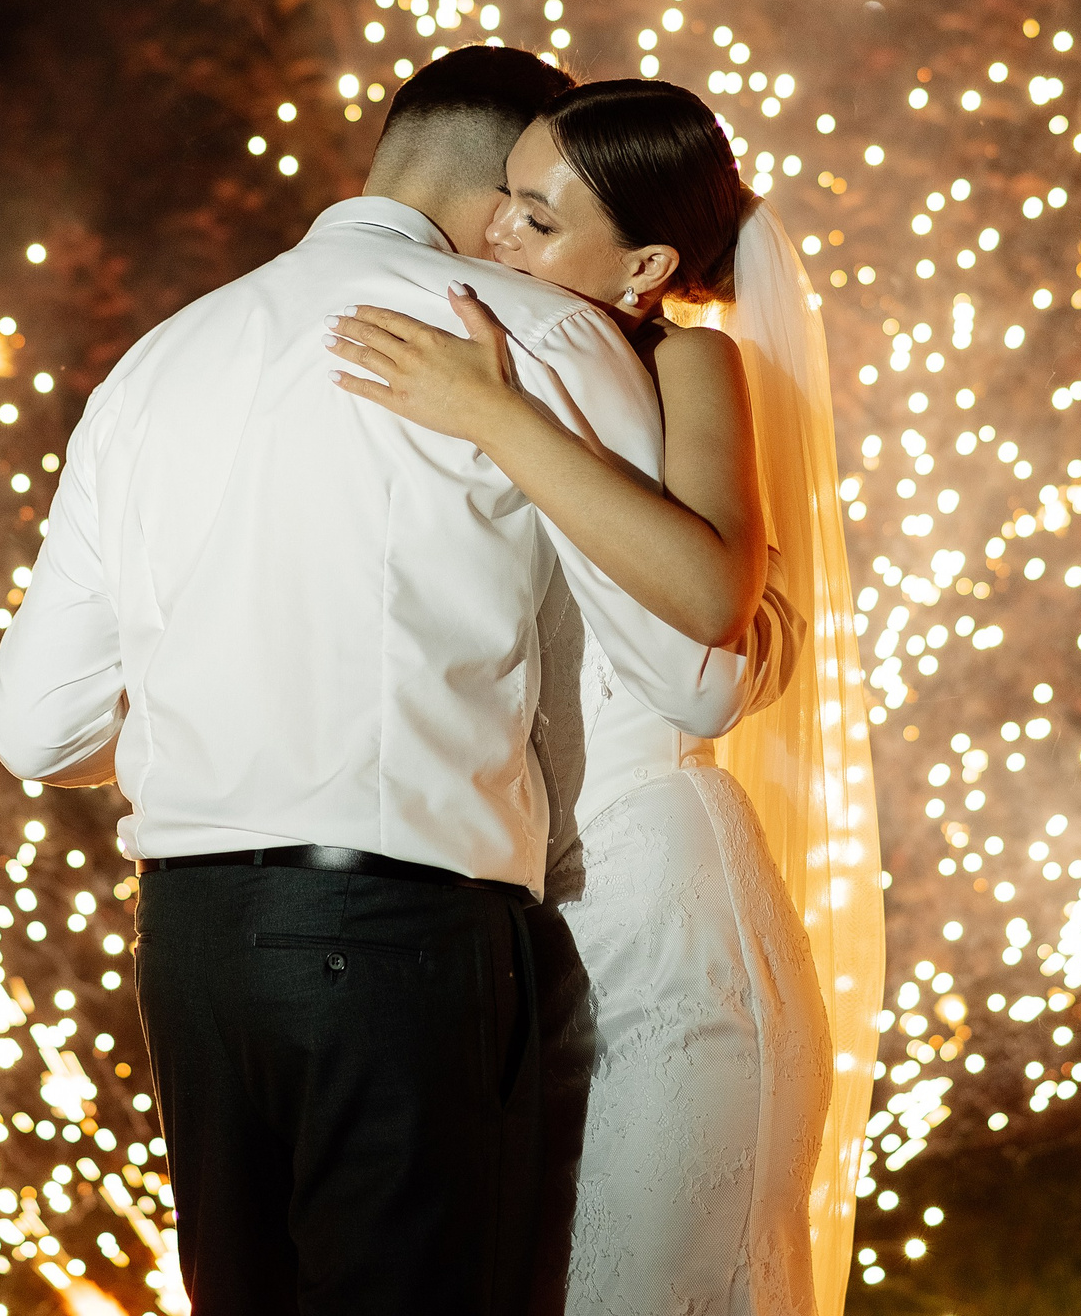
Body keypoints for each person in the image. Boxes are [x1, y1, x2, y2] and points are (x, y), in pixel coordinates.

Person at [0, 48, 783, 1316]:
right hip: (402, 932)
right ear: (499, 183)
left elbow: (35, 730)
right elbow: (692, 670)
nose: (515, 235)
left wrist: (225, 716)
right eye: (522, 204)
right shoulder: (539, 333)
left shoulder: (153, 361)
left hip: (189, 943)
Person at [325, 78, 884, 1316]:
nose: (494, 232)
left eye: (536, 218)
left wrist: (490, 413)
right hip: (524, 926)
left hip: (664, 919)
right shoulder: (501, 336)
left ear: (645, 266)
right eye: (504, 200)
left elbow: (711, 598)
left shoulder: (690, 363)